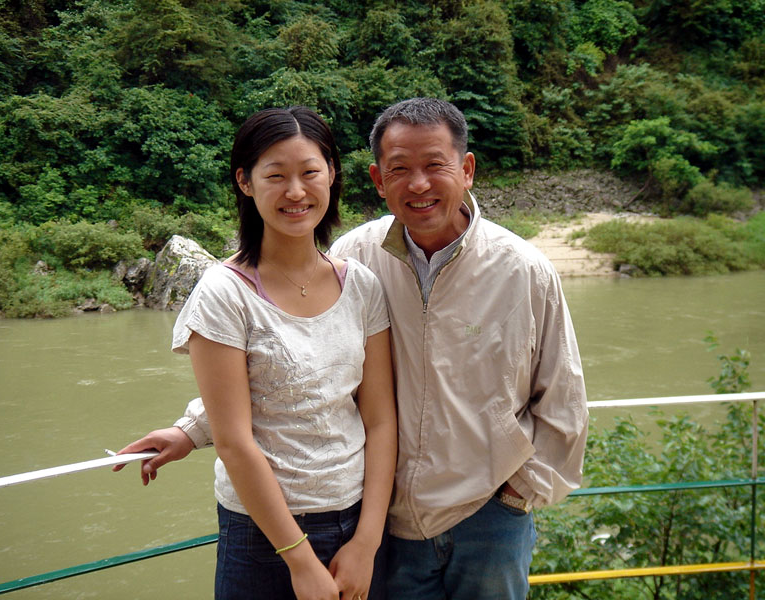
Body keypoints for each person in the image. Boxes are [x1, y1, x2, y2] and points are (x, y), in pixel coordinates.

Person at [118, 98, 588, 599]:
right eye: (399, 169)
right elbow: (298, 369)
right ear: (377, 180)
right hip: (390, 519)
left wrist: (517, 495)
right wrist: (194, 428)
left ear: (467, 169)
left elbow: (563, 399)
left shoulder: (523, 271)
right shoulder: (358, 258)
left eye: (435, 165)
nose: (419, 184)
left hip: (484, 516)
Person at [116, 106, 397, 600]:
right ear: (245, 182)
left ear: (332, 174)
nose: (296, 191)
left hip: (357, 521)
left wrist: (367, 543)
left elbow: (380, 420)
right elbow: (234, 442)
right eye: (276, 175)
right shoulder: (225, 294)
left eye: (309, 172)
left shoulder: (361, 286)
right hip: (263, 536)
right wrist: (300, 561)